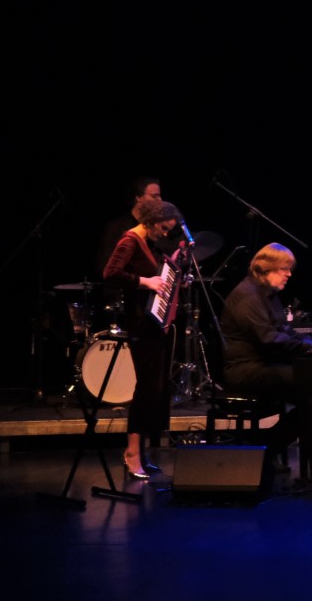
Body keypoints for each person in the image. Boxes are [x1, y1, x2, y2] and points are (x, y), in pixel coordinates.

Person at [221, 243, 312, 477]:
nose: (289, 274)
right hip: (245, 369)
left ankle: (269, 446)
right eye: (284, 269)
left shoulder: (267, 294)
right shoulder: (247, 297)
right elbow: (269, 340)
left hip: (264, 363)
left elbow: (286, 331)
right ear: (266, 270)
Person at [100, 198, 185, 479]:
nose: (165, 233)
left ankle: (141, 452)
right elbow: (110, 273)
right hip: (139, 324)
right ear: (150, 221)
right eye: (163, 228)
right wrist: (145, 282)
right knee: (146, 389)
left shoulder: (147, 241)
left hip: (151, 324)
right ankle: (132, 452)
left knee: (154, 390)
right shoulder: (130, 240)